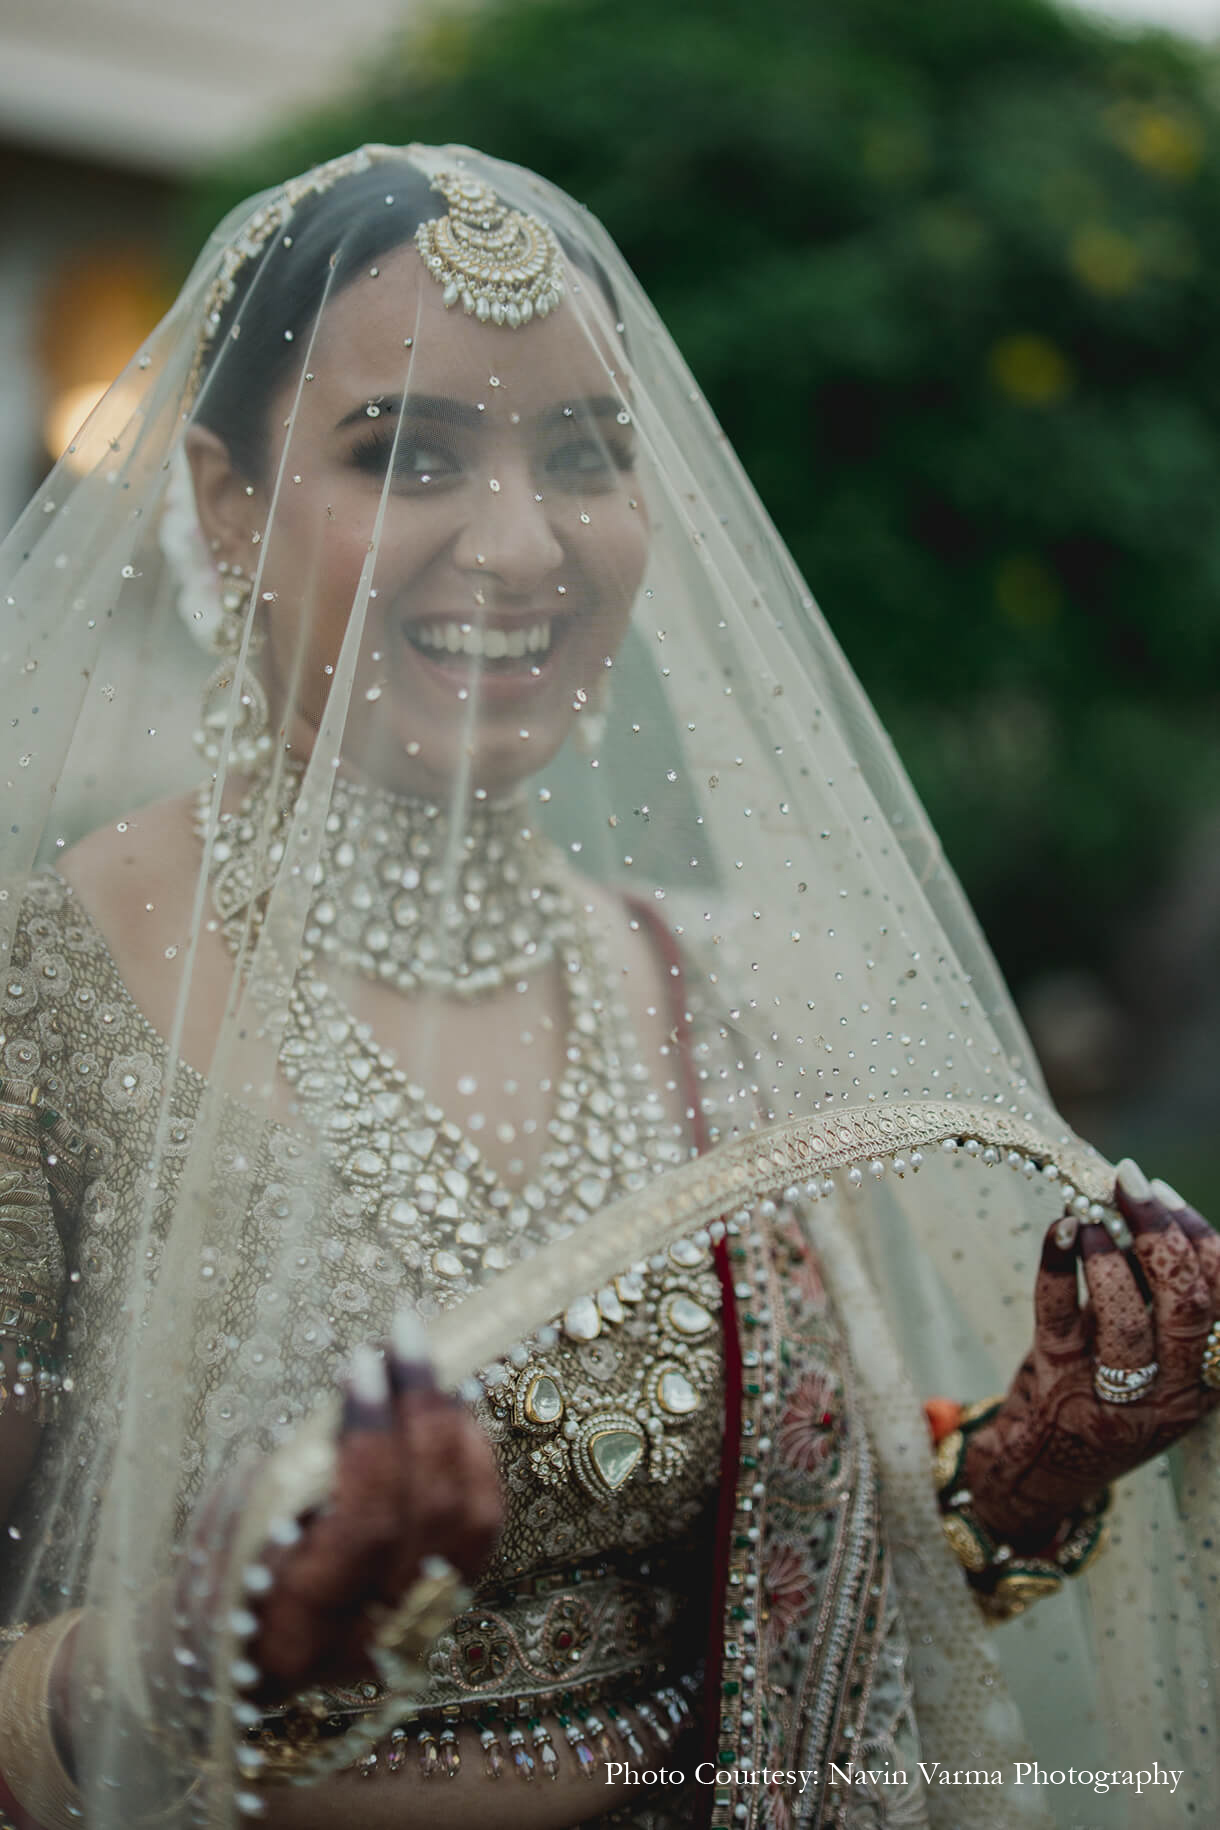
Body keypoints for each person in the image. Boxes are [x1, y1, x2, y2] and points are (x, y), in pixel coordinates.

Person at [0, 143, 1216, 1830]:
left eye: (584, 456)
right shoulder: (41, 1003)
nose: (518, 545)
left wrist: (1030, 1466)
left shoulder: (704, 994)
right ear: (225, 499)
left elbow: (810, 1577)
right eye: (406, 451)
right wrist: (176, 1668)